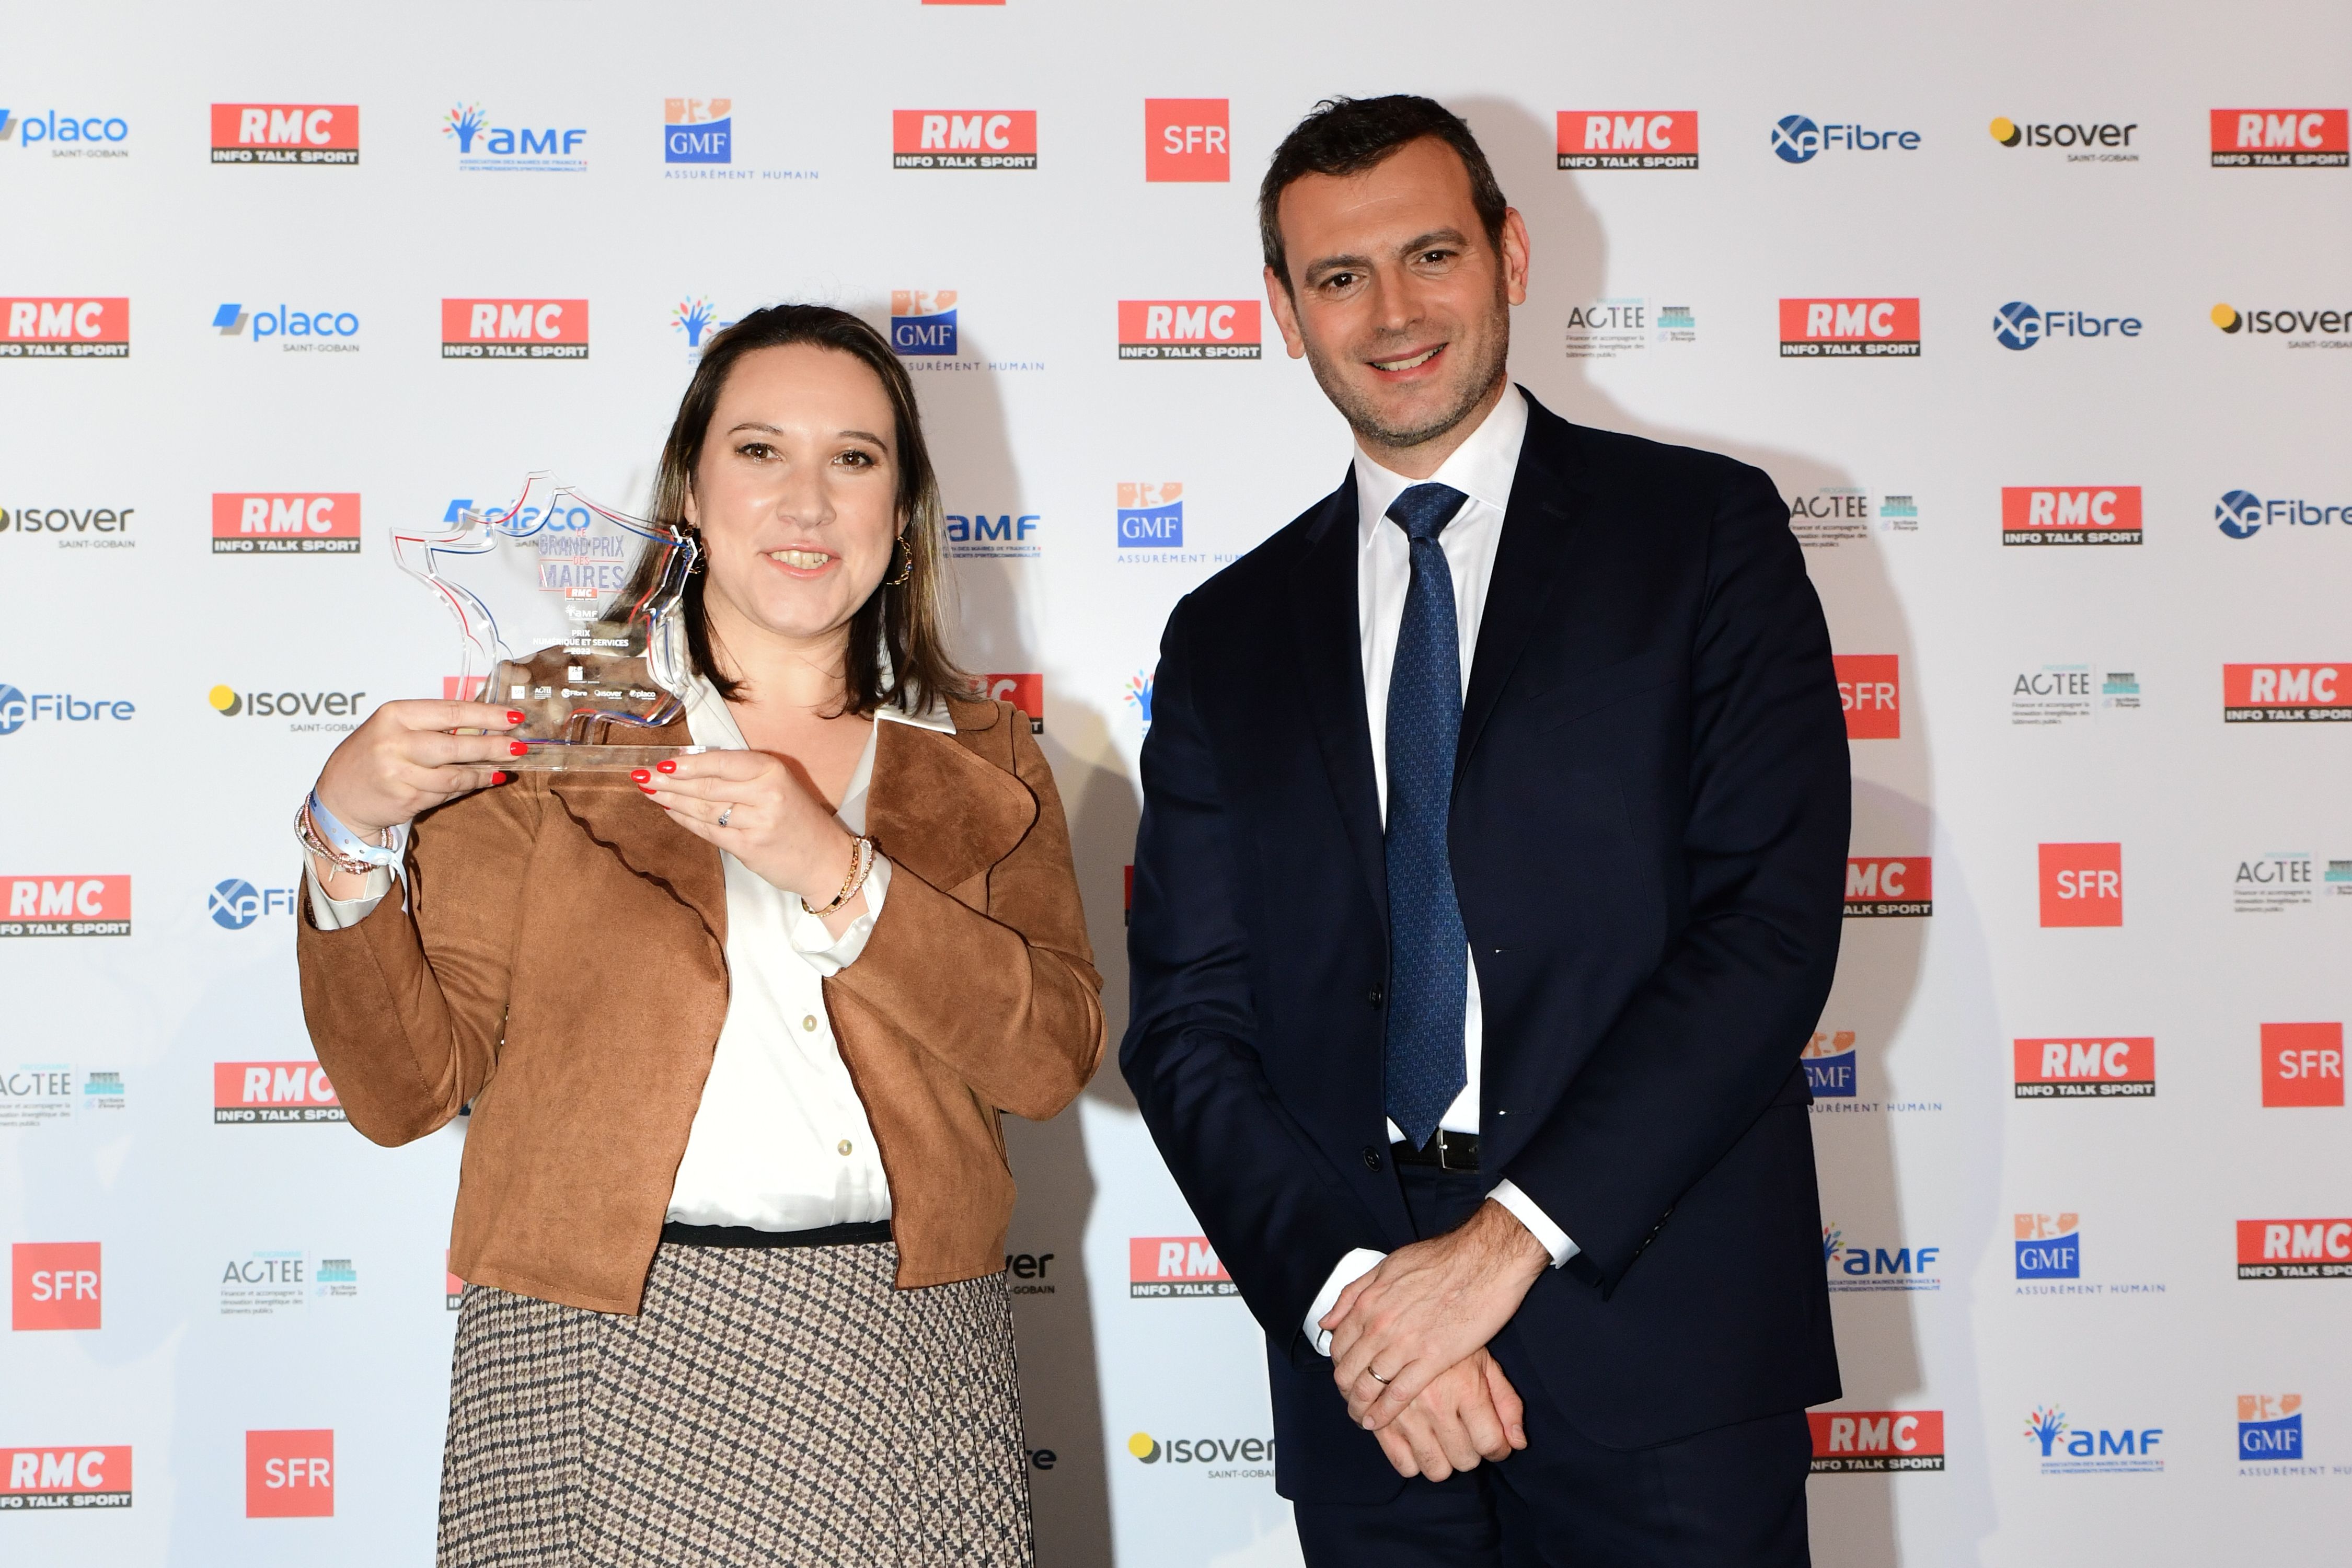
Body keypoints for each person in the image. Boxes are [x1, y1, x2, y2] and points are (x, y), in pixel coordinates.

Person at [1122, 96, 1849, 1565]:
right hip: (1370, 1376)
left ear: (1511, 254)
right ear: (1284, 311)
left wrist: (1503, 1246)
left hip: (1653, 1333)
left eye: (1431, 255)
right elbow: (1188, 1027)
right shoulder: (1225, 635)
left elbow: (1765, 934)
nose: (1392, 314)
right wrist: (1361, 1304)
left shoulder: (1703, 534)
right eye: (1339, 277)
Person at [294, 304, 1102, 1567]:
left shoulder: (984, 751)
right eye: (760, 450)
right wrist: (346, 833)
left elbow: (1048, 1060)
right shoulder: (551, 723)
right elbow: (406, 1091)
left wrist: (837, 870)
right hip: (594, 1348)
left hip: (907, 1356)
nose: (806, 500)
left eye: (854, 458)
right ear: (688, 490)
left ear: (901, 514)